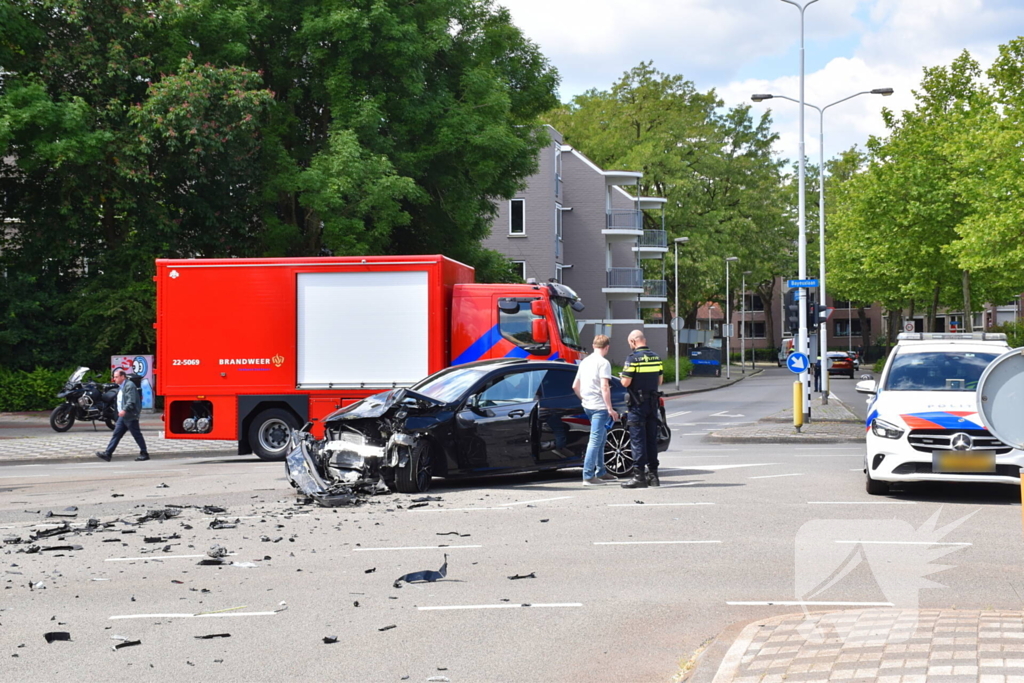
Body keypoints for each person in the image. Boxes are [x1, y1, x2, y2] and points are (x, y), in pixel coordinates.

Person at [572, 334, 619, 486]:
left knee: (601, 437)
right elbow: (604, 386)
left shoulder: (584, 362)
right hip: (599, 407)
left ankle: (601, 471)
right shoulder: (603, 363)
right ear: (607, 347)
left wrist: (584, 399)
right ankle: (588, 475)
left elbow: (575, 386)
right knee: (595, 440)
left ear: (593, 346)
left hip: (588, 406)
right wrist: (610, 408)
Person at [619, 330, 664, 489]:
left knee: (638, 440)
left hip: (637, 404)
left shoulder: (632, 359)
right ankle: (654, 476)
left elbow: (625, 382)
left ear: (632, 341)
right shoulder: (656, 357)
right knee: (651, 439)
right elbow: (660, 380)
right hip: (653, 403)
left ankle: (639, 477)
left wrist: (622, 376)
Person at [95, 368, 149, 462]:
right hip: (123, 416)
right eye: (114, 377)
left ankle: (144, 453)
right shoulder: (122, 386)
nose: (114, 379)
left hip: (130, 415)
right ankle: (108, 454)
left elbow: (131, 401)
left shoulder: (129, 386)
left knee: (136, 435)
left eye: (116, 377)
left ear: (122, 377)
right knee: (116, 434)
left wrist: (124, 410)